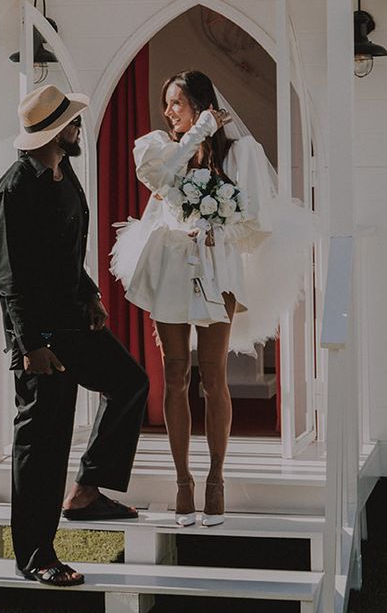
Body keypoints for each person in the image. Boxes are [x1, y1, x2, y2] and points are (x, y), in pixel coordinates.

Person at [0, 84, 149, 587]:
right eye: (74, 123)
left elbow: (68, 252)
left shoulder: (64, 174)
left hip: (74, 320)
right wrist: (29, 347)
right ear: (58, 132)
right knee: (43, 441)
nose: (80, 129)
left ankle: (86, 491)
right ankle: (36, 557)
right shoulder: (12, 190)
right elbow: (10, 279)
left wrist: (91, 295)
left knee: (129, 383)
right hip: (41, 338)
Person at [111, 70, 280, 528]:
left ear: (201, 103)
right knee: (175, 375)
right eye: (167, 104)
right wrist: (198, 131)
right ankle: (182, 480)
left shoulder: (241, 152)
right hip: (171, 268)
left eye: (177, 104)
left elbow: (252, 218)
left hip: (216, 268)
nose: (168, 112)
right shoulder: (160, 148)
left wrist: (216, 225)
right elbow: (161, 180)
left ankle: (216, 479)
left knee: (214, 375)